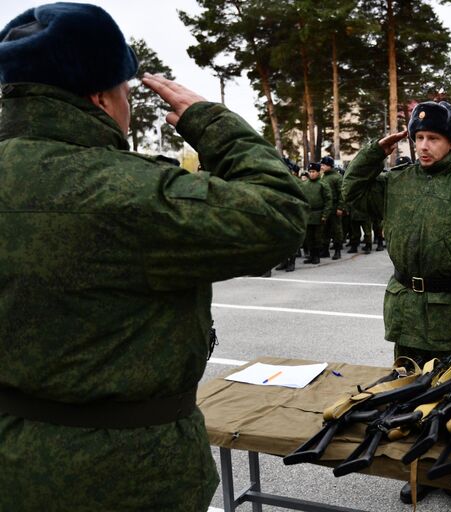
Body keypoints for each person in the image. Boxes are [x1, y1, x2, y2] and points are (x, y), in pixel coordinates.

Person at [0, 4, 308, 511]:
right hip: (127, 475)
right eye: (124, 92)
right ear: (101, 97)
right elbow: (281, 215)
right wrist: (211, 120)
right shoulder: (127, 192)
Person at [342, 100, 451, 512]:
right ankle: (419, 468)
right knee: (407, 394)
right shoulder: (398, 181)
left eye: (432, 138)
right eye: (417, 138)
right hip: (406, 304)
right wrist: (374, 153)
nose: (422, 146)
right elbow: (352, 192)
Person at [302, 162, 333, 264]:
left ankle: (316, 256)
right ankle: (311, 255)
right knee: (309, 237)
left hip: (319, 214)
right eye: (310, 172)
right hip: (308, 215)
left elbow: (328, 201)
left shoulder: (323, 185)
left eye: (314, 172)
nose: (311, 174)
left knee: (317, 237)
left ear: (318, 172)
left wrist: (325, 215)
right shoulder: (305, 185)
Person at [320, 156, 344, 260]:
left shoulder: (337, 177)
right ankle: (325, 250)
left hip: (334, 206)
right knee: (325, 229)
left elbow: (342, 193)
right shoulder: (323, 176)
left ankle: (337, 250)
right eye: (322, 165)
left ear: (330, 166)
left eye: (324, 165)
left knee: (336, 229)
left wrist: (340, 207)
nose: (322, 167)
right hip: (326, 207)